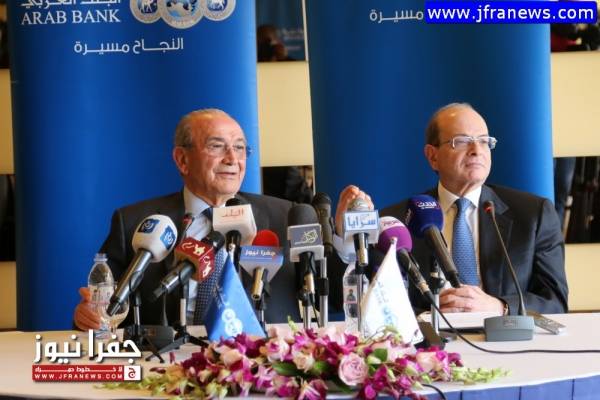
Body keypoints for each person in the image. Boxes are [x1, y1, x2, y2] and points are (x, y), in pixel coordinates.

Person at [74, 109, 303, 330]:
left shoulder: (284, 217)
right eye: (216, 146)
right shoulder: (135, 222)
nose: (232, 158)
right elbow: (102, 307)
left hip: (262, 351)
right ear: (182, 159)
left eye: (239, 147)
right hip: (168, 353)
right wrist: (90, 316)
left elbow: (322, 292)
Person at [334, 103, 568, 316]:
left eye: (484, 141)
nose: (476, 150)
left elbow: (555, 301)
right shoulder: (395, 221)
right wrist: (347, 242)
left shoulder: (533, 215)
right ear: (432, 156)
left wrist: (500, 306)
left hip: (505, 341)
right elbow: (353, 301)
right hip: (428, 343)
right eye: (462, 141)